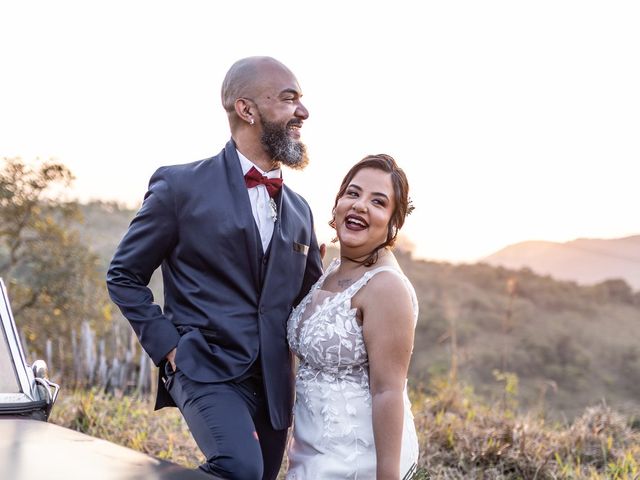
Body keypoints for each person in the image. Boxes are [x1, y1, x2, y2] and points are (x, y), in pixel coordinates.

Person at [106, 56, 323, 480]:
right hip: (203, 366)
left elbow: (311, 299)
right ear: (247, 109)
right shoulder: (180, 187)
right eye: (289, 99)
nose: (303, 111)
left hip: (275, 384)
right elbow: (124, 275)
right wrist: (171, 348)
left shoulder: (300, 210)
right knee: (238, 469)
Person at [286, 154, 419, 479]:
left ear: (393, 222)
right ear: (337, 204)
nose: (360, 205)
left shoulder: (386, 287)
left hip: (355, 460)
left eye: (378, 201)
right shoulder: (331, 270)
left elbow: (388, 391)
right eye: (353, 193)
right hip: (311, 450)